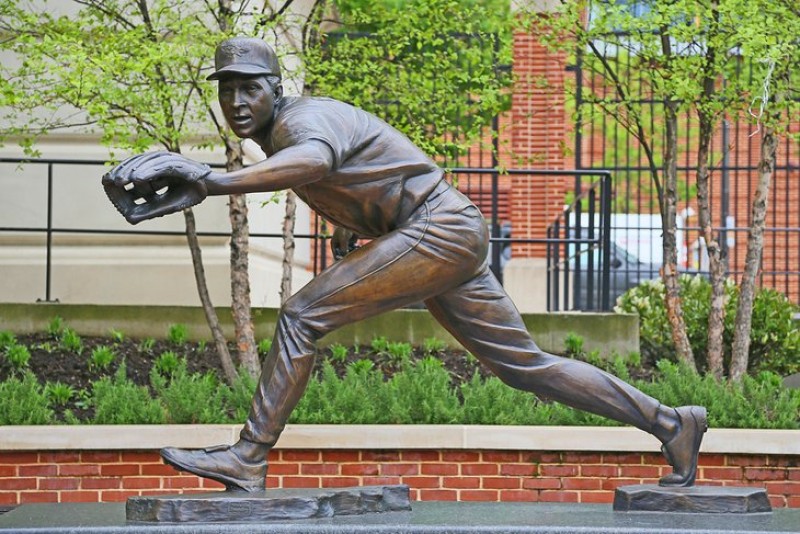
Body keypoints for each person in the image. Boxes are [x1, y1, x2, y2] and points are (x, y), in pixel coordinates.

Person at [103, 37, 707, 493]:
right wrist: (349, 225)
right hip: (446, 229)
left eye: (249, 88)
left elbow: (315, 160)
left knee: (300, 316)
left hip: (436, 230)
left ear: (275, 88)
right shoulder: (285, 129)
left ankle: (249, 455)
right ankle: (671, 423)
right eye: (226, 89)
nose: (236, 102)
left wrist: (211, 180)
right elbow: (360, 172)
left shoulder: (297, 122)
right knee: (525, 367)